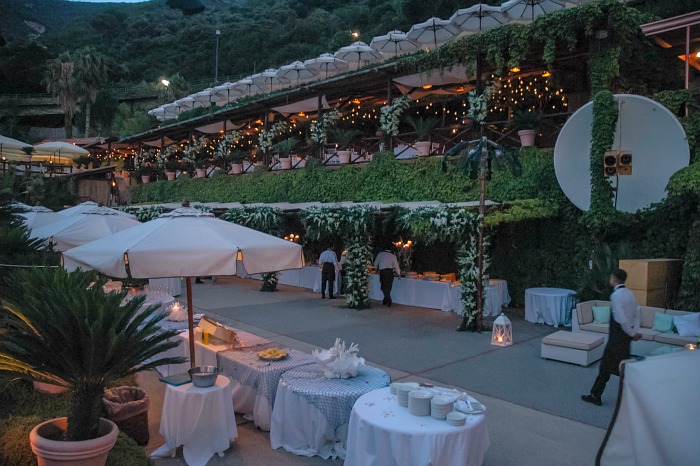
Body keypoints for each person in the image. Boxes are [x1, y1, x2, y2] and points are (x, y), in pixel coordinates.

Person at [581, 269, 641, 406]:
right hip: (625, 338)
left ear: (615, 279)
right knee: (619, 367)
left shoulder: (616, 296)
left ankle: (596, 395)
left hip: (617, 338)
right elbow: (636, 315)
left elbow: (621, 319)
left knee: (608, 367)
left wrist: (632, 333)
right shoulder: (630, 293)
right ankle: (597, 394)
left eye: (611, 277)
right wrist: (634, 332)